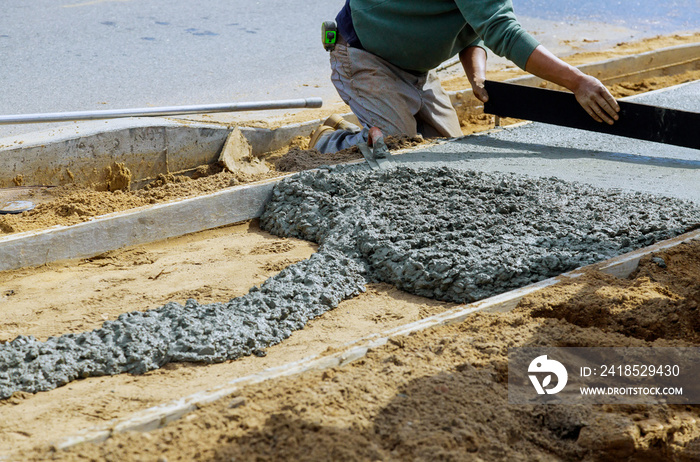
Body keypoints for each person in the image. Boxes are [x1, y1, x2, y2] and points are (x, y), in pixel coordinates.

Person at [310, 0, 620, 153]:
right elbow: (502, 31)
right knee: (396, 145)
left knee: (448, 149)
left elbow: (476, 29)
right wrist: (578, 82)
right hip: (362, 55)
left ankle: (357, 125)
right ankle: (328, 140)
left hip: (417, 70)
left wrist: (477, 75)